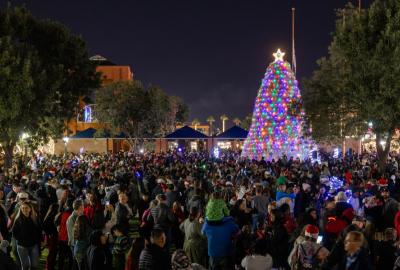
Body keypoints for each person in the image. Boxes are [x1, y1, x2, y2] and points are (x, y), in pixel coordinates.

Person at [12, 202, 42, 270]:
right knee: (25, 266)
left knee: (34, 265)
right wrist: (21, 239)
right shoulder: (18, 220)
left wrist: (40, 240)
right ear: (20, 209)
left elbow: (39, 231)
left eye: (26, 208)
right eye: (22, 208)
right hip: (22, 247)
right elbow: (14, 233)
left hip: (33, 245)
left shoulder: (35, 219)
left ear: (30, 209)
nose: (24, 210)